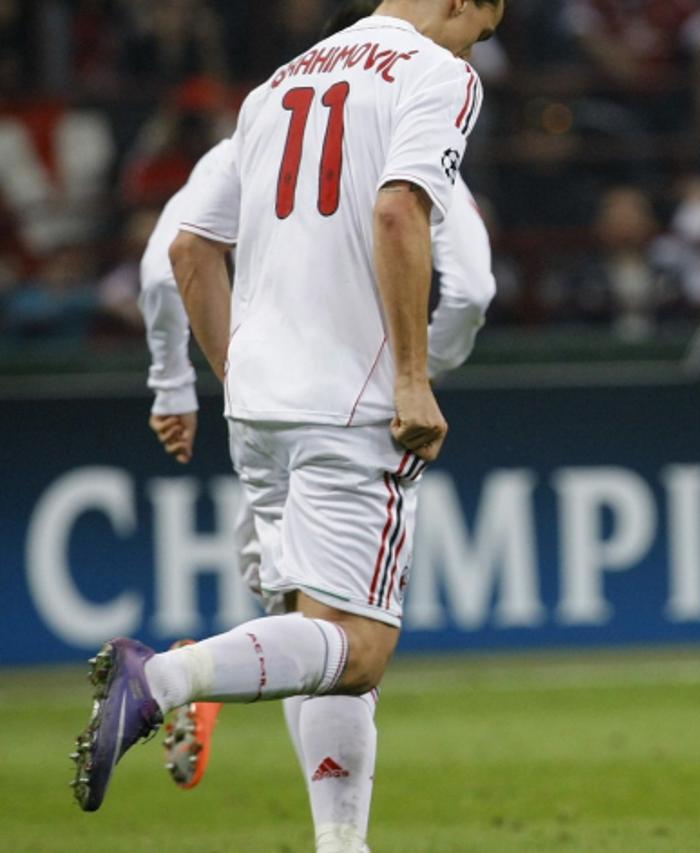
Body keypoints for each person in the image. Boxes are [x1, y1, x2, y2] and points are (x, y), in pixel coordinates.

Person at [71, 4, 505, 853]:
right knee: (357, 647)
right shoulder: (437, 74)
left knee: (310, 631)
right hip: (352, 401)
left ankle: (341, 844)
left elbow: (191, 248)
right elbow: (397, 213)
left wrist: (242, 377)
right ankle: (162, 677)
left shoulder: (275, 87)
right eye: (481, 26)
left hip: (260, 404)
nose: (473, 45)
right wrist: (414, 378)